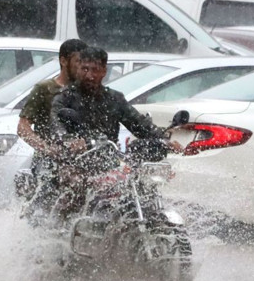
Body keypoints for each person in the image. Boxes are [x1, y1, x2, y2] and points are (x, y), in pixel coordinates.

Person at [48, 46, 182, 218]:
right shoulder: (65, 98)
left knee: (142, 184)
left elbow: (139, 123)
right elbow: (57, 125)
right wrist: (70, 141)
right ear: (78, 69)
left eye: (95, 70)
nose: (89, 75)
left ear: (104, 71)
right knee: (77, 186)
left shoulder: (114, 99)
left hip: (109, 160)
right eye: (85, 69)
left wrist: (164, 140)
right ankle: (68, 231)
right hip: (76, 162)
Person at [16, 38, 86, 216]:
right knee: (46, 202)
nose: (82, 67)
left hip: (80, 158)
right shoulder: (45, 89)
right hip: (49, 160)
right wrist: (47, 148)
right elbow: (23, 128)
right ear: (64, 61)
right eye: (78, 61)